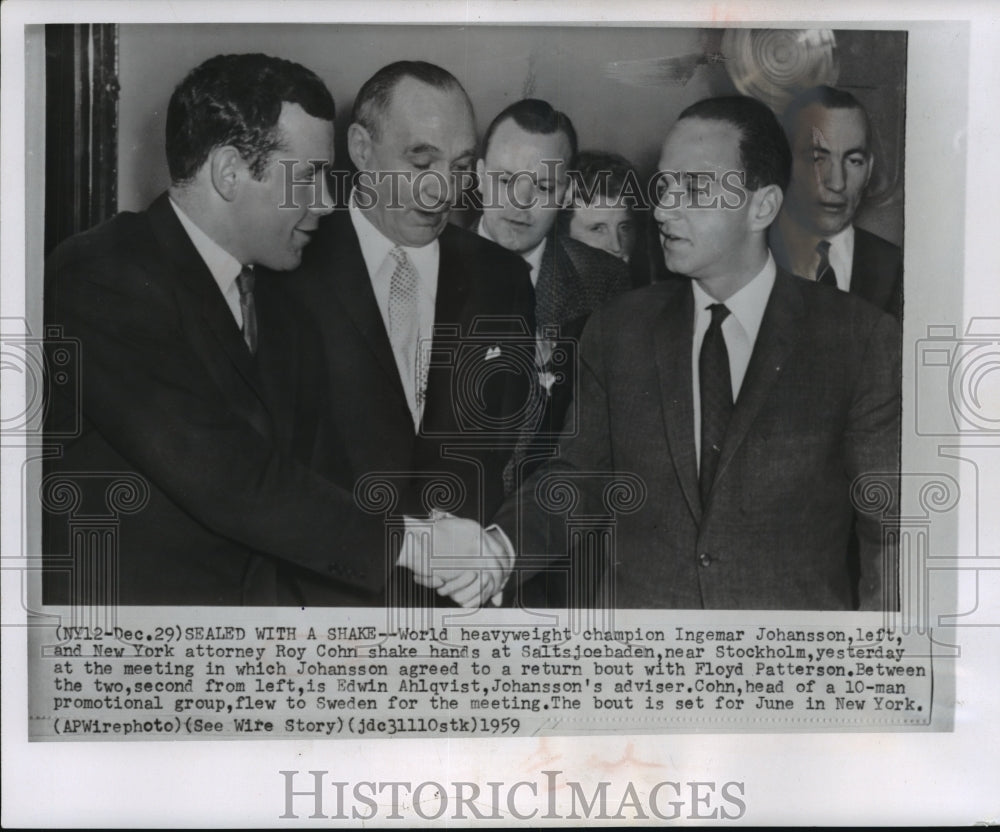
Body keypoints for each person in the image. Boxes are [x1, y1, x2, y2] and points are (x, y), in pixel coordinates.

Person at [42, 53, 494, 607]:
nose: (326, 202)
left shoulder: (276, 295)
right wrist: (413, 543)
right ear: (229, 171)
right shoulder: (101, 275)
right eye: (306, 178)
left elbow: (312, 476)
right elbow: (223, 471)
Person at [490, 95, 901, 611]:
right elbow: (577, 480)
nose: (662, 209)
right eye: (664, 186)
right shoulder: (618, 330)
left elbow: (890, 533)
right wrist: (495, 553)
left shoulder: (858, 342)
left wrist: (879, 663)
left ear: (763, 206)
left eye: (695, 188)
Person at [277, 61, 534, 606]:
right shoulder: (287, 267)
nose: (444, 190)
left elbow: (497, 449)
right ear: (362, 150)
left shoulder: (503, 280)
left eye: (461, 166)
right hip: (317, 606)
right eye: (421, 161)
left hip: (457, 611)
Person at [770, 85, 903, 320]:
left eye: (854, 161)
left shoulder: (898, 269)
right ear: (784, 161)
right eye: (817, 158)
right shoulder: (750, 257)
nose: (837, 183)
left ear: (870, 169)